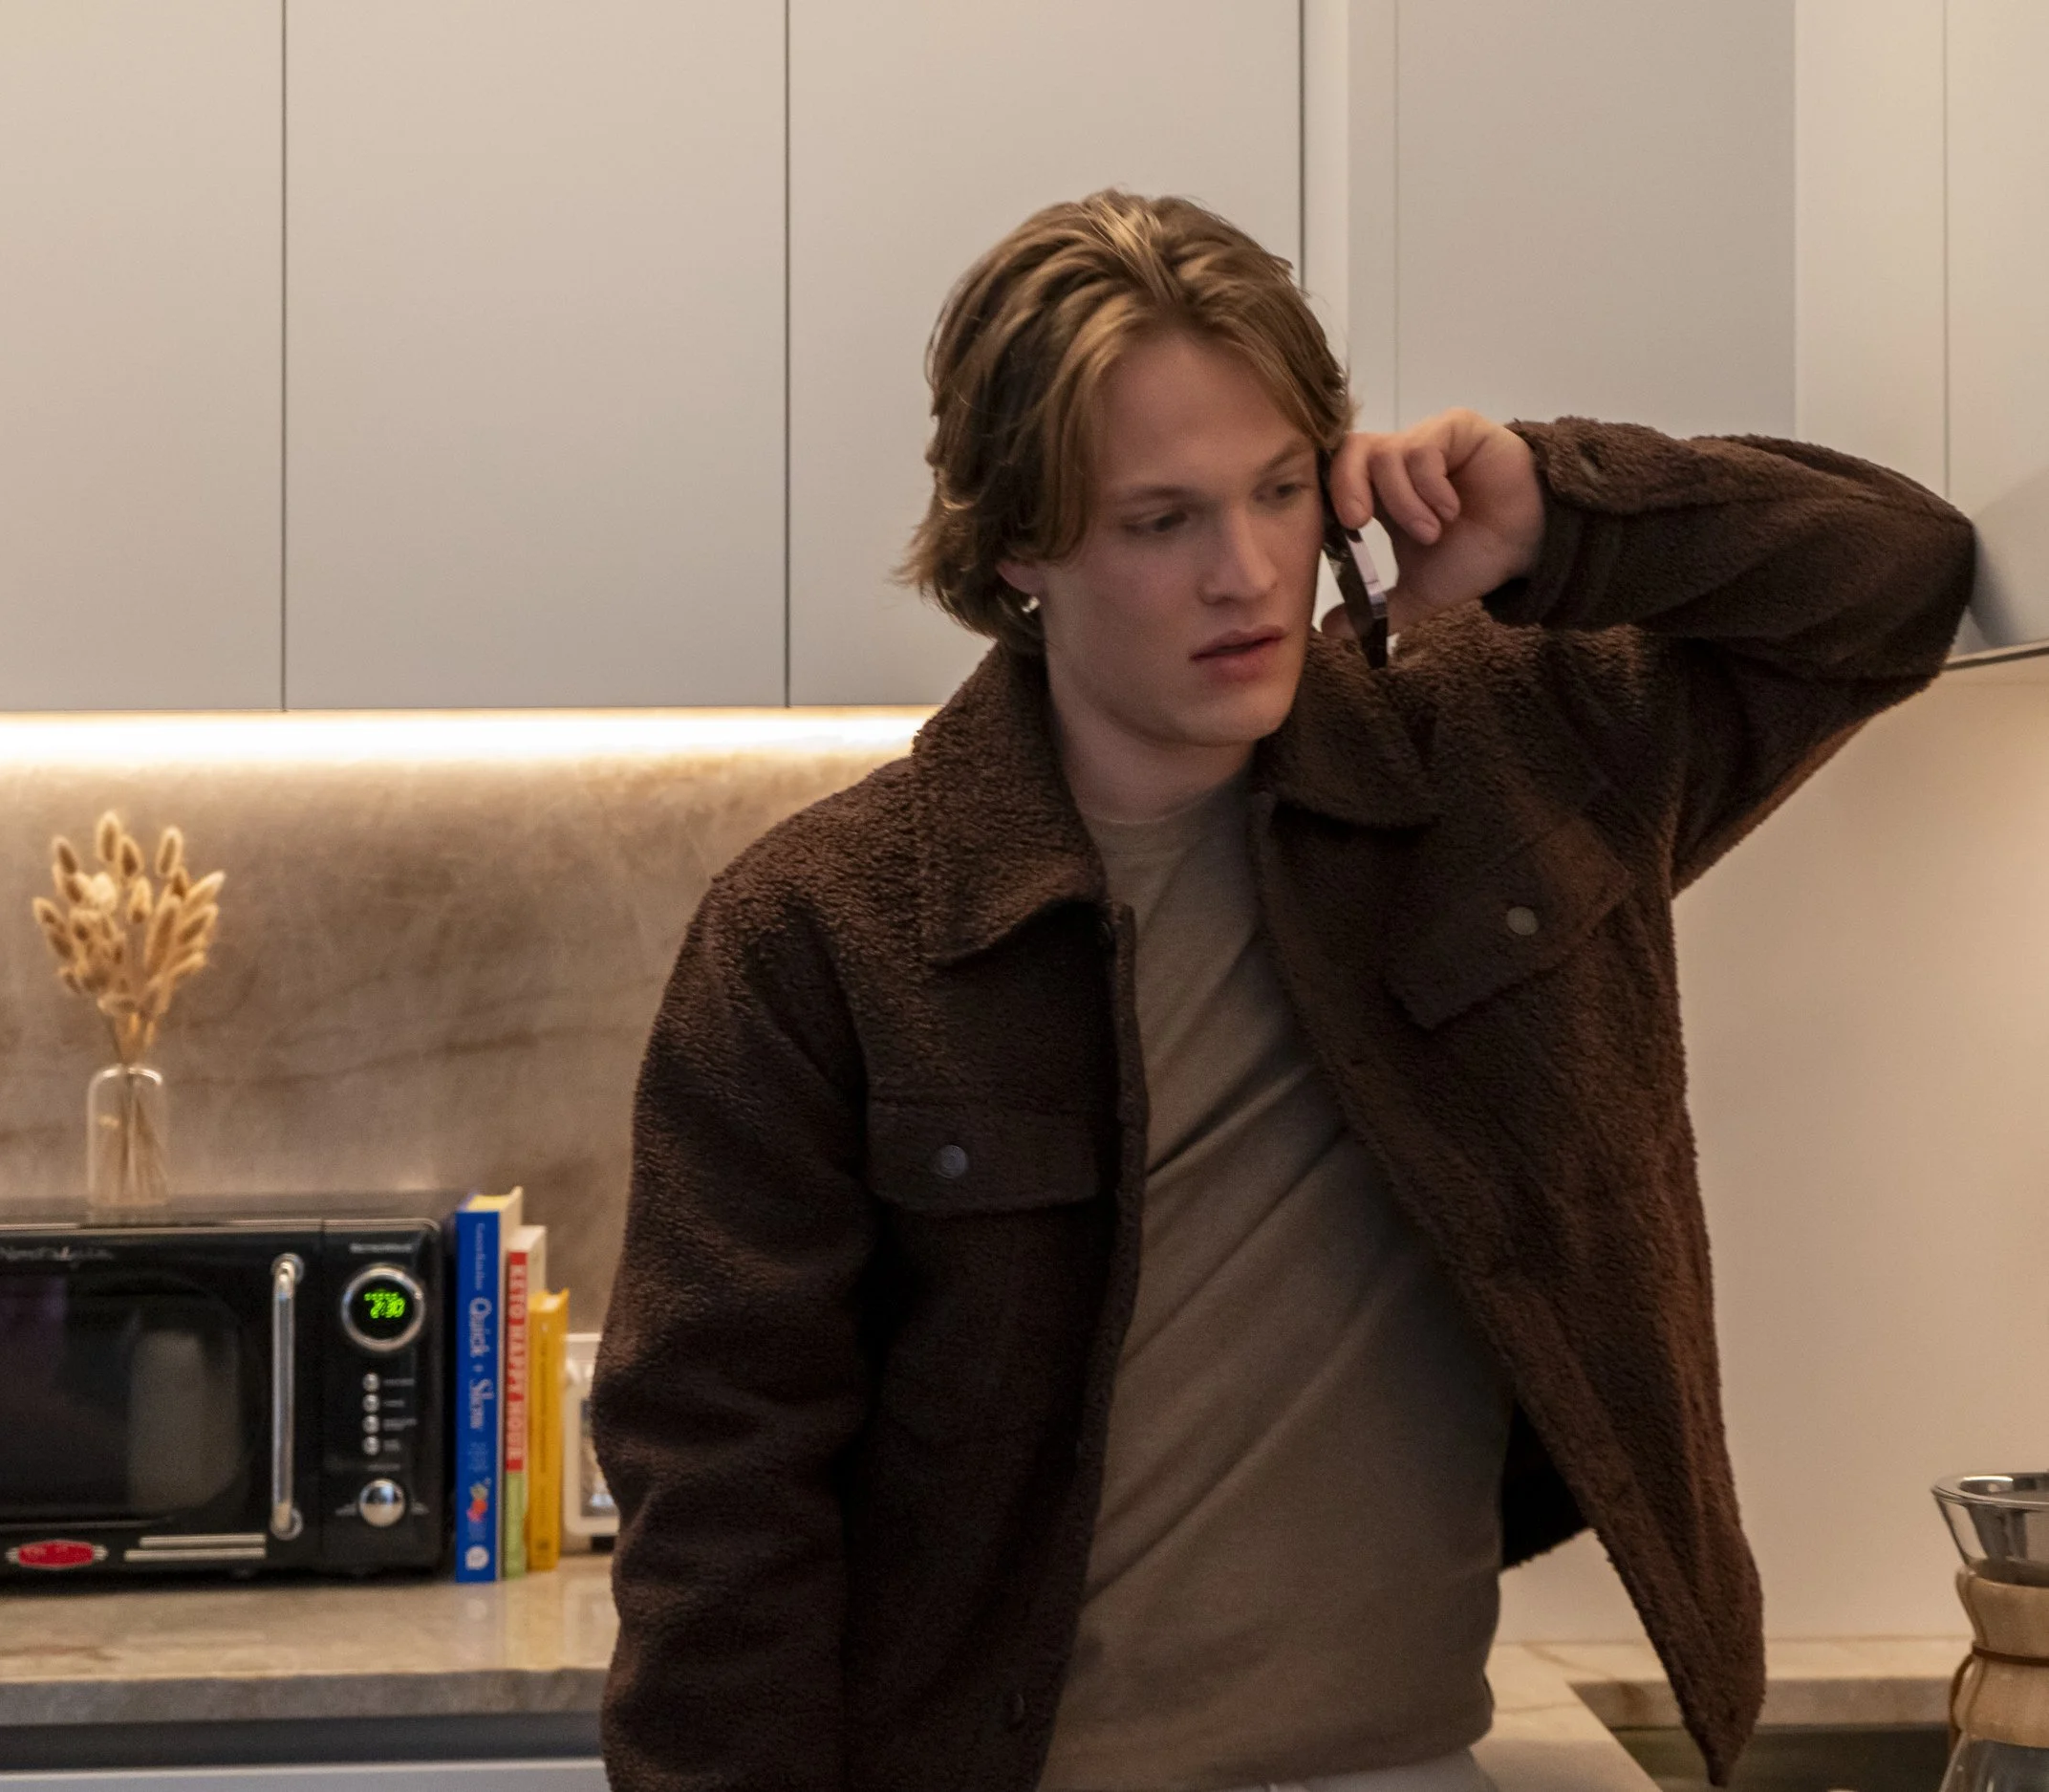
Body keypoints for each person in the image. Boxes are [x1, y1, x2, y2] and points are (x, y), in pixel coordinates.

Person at [590, 190, 1975, 1792]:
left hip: (1403, 1764)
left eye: (1277, 490)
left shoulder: (1489, 762)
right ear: (1018, 544)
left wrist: (1557, 510)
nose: (1248, 573)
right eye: (1160, 518)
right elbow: (723, 1490)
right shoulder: (826, 929)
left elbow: (1897, 580)